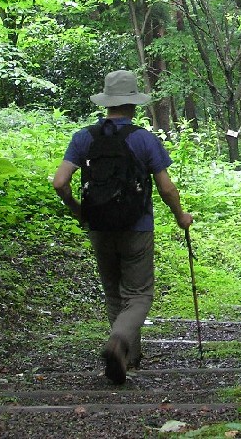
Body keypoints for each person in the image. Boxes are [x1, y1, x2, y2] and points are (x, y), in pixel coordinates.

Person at [52, 70, 193, 385]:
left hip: (99, 227)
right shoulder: (144, 139)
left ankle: (128, 357)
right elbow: (167, 189)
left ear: (107, 102)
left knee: (115, 293)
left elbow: (60, 183)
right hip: (137, 226)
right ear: (133, 104)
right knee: (139, 294)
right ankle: (119, 342)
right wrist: (180, 216)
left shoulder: (83, 137)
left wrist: (80, 213)